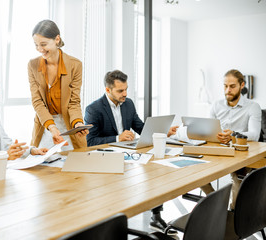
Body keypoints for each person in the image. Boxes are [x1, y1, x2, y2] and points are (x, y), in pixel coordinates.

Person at [84, 70, 178, 235]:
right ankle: (111, 227)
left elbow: (141, 128)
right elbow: (90, 142)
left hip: (128, 154)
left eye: (126, 89)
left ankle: (156, 216)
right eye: (120, 91)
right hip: (107, 158)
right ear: (108, 90)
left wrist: (163, 131)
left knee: (155, 169)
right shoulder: (94, 109)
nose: (125, 94)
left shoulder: (128, 104)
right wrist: (117, 138)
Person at [200, 69, 261, 209]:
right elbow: (209, 129)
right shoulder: (216, 105)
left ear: (242, 85)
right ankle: (217, 205)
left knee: (238, 179)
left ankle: (233, 216)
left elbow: (254, 134)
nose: (228, 90)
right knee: (195, 169)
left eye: (232, 86)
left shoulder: (253, 107)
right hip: (218, 149)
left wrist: (233, 134)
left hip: (241, 152)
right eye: (225, 86)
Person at [28, 20, 88, 151]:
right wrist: (52, 127)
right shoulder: (32, 65)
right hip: (46, 124)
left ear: (57, 39)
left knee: (72, 165)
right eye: (36, 45)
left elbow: (74, 101)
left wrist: (78, 122)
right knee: (44, 166)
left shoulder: (75, 65)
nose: (40, 50)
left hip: (68, 125)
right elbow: (37, 102)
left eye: (43, 44)